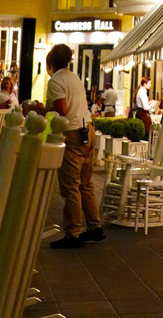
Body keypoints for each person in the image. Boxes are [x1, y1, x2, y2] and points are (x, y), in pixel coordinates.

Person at [45, 44, 103, 249]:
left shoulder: (56, 81)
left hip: (72, 133)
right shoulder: (75, 78)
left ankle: (73, 232)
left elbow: (60, 109)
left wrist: (39, 108)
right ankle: (95, 226)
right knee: (86, 183)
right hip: (89, 129)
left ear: (50, 62)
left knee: (70, 185)